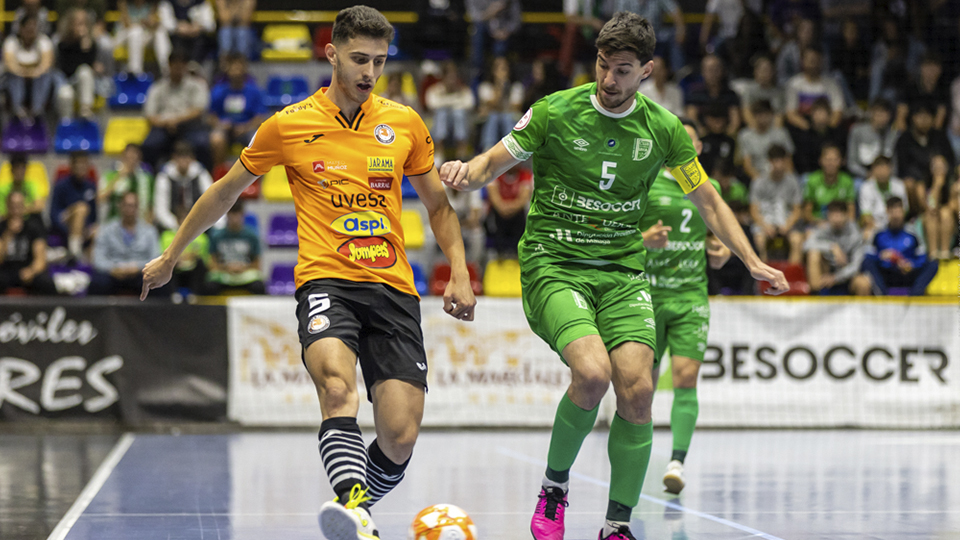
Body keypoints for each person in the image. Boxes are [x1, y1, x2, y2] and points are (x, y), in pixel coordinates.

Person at [438, 13, 787, 540]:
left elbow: (708, 200)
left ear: (646, 70)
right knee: (594, 373)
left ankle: (616, 525)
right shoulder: (555, 111)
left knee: (639, 390)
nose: (609, 80)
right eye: (603, 66)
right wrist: (466, 173)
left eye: (623, 70)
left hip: (623, 273)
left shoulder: (663, 129)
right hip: (555, 265)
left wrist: (752, 260)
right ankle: (554, 491)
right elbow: (491, 162)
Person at [141, 8, 477, 540]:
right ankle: (352, 508)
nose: (369, 72)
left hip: (392, 287)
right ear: (333, 54)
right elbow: (226, 191)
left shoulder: (405, 123)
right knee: (338, 390)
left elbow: (439, 206)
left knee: (399, 435)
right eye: (360, 59)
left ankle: (357, 506)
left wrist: (459, 270)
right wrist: (172, 254)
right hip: (326, 281)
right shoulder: (289, 123)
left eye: (380, 61)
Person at [638, 118, 730, 495]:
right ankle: (636, 453)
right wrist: (646, 239)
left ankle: (677, 461)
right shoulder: (644, 181)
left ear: (698, 148)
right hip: (647, 295)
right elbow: (621, 234)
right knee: (639, 388)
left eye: (689, 140)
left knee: (686, 379)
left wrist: (721, 251)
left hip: (690, 296)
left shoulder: (711, 188)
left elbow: (720, 240)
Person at [142, 50, 212, 171]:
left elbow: (198, 110)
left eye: (181, 64)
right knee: (148, 145)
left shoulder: (196, 85)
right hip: (163, 127)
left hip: (190, 126)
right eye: (175, 64)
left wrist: (176, 120)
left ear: (186, 66)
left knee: (202, 144)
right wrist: (167, 123)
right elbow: (150, 115)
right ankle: (153, 180)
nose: (178, 68)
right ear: (169, 65)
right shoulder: (157, 87)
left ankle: (205, 178)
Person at [90, 191, 165, 296]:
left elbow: (155, 257)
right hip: (113, 273)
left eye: (133, 205)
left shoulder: (149, 231)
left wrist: (138, 267)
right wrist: (113, 268)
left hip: (140, 273)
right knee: (97, 282)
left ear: (138, 208)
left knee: (160, 284)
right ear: (120, 206)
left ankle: (154, 312)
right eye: (127, 205)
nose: (130, 209)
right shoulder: (106, 230)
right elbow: (98, 258)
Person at [862, 197, 939, 296]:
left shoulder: (912, 233)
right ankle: (881, 295)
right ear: (887, 212)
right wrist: (880, 256)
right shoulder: (878, 233)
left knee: (933, 264)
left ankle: (915, 296)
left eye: (899, 212)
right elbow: (868, 255)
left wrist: (912, 264)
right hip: (886, 273)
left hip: (907, 273)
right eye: (892, 212)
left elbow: (923, 256)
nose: (896, 216)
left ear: (904, 212)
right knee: (867, 262)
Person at [208, 52, 266, 169]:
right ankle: (220, 173)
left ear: (244, 68)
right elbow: (211, 116)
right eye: (232, 68)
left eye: (238, 67)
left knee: (257, 140)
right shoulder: (218, 91)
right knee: (216, 139)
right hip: (225, 129)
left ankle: (254, 177)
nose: (235, 71)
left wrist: (246, 127)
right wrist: (220, 124)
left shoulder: (254, 91)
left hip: (247, 128)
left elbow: (260, 117)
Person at [895, 104, 955, 213]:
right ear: (913, 118)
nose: (923, 120)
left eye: (927, 116)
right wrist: (921, 179)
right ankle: (920, 214)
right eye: (920, 116)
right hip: (916, 181)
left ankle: (935, 209)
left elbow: (951, 161)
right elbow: (902, 168)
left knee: (940, 173)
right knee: (915, 186)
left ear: (932, 119)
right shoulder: (905, 138)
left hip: (940, 181)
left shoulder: (940, 137)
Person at [750, 145, 804, 264]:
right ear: (769, 162)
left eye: (781, 161)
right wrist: (765, 226)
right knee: (759, 240)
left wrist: (787, 226)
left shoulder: (793, 181)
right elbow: (754, 211)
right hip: (765, 223)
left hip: (786, 222)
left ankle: (790, 278)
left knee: (797, 240)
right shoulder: (759, 182)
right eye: (775, 161)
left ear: (786, 161)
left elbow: (797, 210)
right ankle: (763, 278)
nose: (778, 165)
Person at [804, 200, 872, 295]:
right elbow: (806, 245)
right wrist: (832, 247)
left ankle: (862, 310)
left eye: (839, 215)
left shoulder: (855, 234)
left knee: (863, 284)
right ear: (828, 216)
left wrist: (835, 278)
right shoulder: (824, 228)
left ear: (846, 215)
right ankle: (815, 294)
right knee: (813, 254)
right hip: (826, 272)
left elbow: (855, 266)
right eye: (833, 215)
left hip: (848, 276)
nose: (836, 219)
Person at [2, 14, 56, 124]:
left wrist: (31, 73)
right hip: (15, 82)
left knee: (47, 75)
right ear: (21, 28)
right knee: (13, 76)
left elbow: (46, 65)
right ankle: (18, 111)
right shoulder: (11, 41)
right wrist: (28, 72)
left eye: (33, 27)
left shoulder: (44, 41)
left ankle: (37, 111)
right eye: (27, 27)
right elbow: (10, 66)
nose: (31, 30)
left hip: (37, 81)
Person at [0, 191, 56, 295]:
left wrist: (31, 271)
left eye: (19, 205)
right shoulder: (2, 228)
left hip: (28, 268)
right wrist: (8, 234)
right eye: (13, 206)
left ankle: (49, 310)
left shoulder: (34, 227)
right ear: (8, 206)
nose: (16, 209)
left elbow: (40, 260)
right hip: (6, 271)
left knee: (46, 282)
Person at [204, 200, 264, 294]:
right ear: (227, 215)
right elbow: (212, 263)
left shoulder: (251, 236)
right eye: (232, 214)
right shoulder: (216, 236)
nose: (235, 218)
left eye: (237, 214)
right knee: (210, 286)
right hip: (224, 275)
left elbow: (257, 264)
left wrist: (243, 268)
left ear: (242, 215)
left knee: (259, 286)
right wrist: (225, 268)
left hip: (245, 274)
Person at [55, 9, 106, 121]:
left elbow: (88, 65)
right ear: (70, 25)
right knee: (65, 94)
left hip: (84, 84)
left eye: (83, 24)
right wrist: (80, 47)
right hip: (67, 82)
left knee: (85, 71)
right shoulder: (63, 45)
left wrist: (86, 48)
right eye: (78, 24)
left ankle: (86, 110)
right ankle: (66, 124)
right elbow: (68, 69)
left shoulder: (90, 45)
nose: (81, 27)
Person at [153, 141, 213, 231]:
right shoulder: (164, 176)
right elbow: (161, 210)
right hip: (171, 227)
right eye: (180, 157)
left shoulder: (201, 174)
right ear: (174, 158)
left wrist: (198, 224)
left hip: (198, 226)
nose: (183, 161)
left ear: (192, 159)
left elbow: (211, 200)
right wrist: (176, 226)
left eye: (186, 157)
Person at [50, 152, 98, 260]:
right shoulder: (61, 186)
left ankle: (94, 268)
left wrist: (89, 229)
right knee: (81, 208)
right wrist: (71, 229)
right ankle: (75, 254)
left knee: (99, 230)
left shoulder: (91, 187)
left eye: (84, 164)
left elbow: (94, 217)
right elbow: (53, 215)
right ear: (71, 165)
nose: (81, 167)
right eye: (78, 164)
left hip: (84, 228)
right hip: (65, 222)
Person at [425, 61, 475, 163]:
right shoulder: (435, 90)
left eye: (454, 77)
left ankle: (462, 151)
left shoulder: (463, 90)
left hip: (460, 125)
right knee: (442, 113)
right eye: (449, 77)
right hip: (438, 127)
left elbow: (470, 104)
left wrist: (447, 102)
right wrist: (453, 101)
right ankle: (439, 151)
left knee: (458, 113)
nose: (451, 80)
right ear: (443, 77)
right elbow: (431, 104)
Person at [784, 47, 845, 132]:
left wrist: (828, 128)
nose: (813, 64)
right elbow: (791, 114)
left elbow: (838, 111)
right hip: (803, 128)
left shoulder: (831, 84)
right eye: (810, 60)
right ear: (802, 61)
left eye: (816, 60)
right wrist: (809, 128)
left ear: (821, 62)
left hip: (827, 127)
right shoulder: (794, 84)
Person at [737, 99, 794, 180]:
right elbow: (747, 166)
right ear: (753, 116)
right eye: (759, 115)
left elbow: (788, 162)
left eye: (766, 114)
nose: (763, 118)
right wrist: (761, 183)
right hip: (757, 178)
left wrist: (787, 181)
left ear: (772, 115)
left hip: (780, 177)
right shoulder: (745, 136)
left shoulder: (781, 134)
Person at [484, 162, 532, 258]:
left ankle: (518, 253)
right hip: (499, 214)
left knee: (525, 213)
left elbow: (523, 199)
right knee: (493, 216)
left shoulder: (525, 175)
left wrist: (509, 208)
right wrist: (503, 208)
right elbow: (494, 199)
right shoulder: (495, 174)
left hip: (517, 214)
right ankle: (499, 254)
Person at [478, 56, 524, 152]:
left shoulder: (516, 86)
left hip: (510, 117)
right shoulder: (485, 86)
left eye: (504, 68)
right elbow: (491, 105)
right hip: (493, 117)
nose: (502, 72)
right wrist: (500, 86)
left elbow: (516, 107)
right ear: (493, 70)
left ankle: (512, 149)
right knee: (494, 116)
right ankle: (488, 147)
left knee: (506, 117)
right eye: (498, 68)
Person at [803, 143, 856, 227]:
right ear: (820, 160)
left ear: (841, 161)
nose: (831, 163)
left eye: (835, 160)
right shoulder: (812, 180)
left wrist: (841, 222)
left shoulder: (847, 181)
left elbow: (851, 212)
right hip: (818, 225)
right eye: (827, 159)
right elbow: (807, 214)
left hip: (841, 225)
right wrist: (819, 222)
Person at [99, 143, 154, 223]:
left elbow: (151, 205)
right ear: (123, 156)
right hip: (114, 223)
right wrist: (118, 177)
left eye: (135, 155)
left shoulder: (147, 178)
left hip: (140, 224)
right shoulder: (110, 175)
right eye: (129, 156)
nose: (132, 159)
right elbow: (101, 198)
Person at [858, 155, 908, 241]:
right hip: (875, 227)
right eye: (878, 169)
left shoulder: (899, 185)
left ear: (890, 169)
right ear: (873, 170)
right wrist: (881, 229)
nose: (881, 172)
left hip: (896, 224)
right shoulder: (865, 187)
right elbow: (866, 217)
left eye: (884, 168)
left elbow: (904, 211)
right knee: (867, 234)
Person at [115, 0, 172, 75]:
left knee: (160, 32)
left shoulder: (151, 6)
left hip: (143, 36)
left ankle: (166, 70)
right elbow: (126, 25)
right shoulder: (124, 3)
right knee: (136, 31)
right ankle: (136, 72)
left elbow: (152, 25)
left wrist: (150, 24)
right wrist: (141, 23)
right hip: (125, 36)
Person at [846, 99, 898, 180]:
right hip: (863, 176)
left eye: (884, 112)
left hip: (887, 177)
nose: (881, 116)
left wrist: (887, 176)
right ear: (871, 113)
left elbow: (895, 164)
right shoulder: (857, 131)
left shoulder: (893, 135)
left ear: (889, 115)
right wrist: (867, 174)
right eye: (878, 112)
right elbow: (852, 163)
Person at [921, 155, 959, 260]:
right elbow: (931, 206)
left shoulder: (952, 185)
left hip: (949, 220)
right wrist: (937, 187)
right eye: (936, 167)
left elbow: (953, 207)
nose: (939, 170)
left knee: (945, 213)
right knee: (931, 216)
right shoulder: (924, 184)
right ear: (930, 169)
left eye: (941, 167)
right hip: (929, 219)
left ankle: (945, 252)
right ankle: (933, 253)